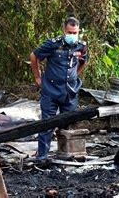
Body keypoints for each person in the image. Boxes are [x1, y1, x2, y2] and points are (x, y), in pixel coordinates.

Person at [29, 16, 87, 161]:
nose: (72, 36)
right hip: (51, 90)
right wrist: (37, 77)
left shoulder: (81, 46)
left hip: (70, 92)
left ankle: (66, 155)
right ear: (64, 30)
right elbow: (34, 56)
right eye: (69, 32)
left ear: (79, 31)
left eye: (75, 33)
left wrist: (74, 76)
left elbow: (82, 62)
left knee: (68, 124)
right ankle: (42, 157)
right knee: (47, 125)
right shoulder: (53, 44)